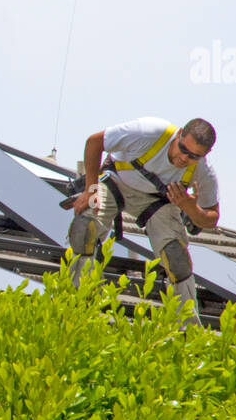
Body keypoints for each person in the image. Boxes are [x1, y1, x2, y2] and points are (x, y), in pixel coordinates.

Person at [66, 117, 220, 311]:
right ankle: (78, 303)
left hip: (158, 202)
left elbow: (212, 218)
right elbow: (94, 142)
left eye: (193, 156)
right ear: (179, 134)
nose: (184, 158)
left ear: (206, 154)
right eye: (183, 149)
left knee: (177, 259)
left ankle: (187, 330)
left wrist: (190, 208)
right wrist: (91, 188)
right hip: (115, 181)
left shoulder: (204, 172)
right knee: (84, 228)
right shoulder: (148, 132)